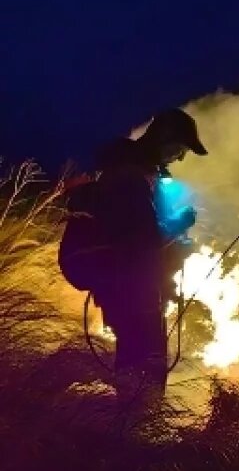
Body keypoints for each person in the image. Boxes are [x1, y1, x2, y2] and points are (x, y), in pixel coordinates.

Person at [60, 108, 207, 413]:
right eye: (180, 148)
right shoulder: (128, 178)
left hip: (126, 288)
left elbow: (133, 235)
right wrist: (181, 223)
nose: (180, 158)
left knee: (136, 363)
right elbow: (143, 240)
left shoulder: (131, 173)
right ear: (164, 139)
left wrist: (174, 248)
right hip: (131, 292)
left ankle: (133, 432)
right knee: (145, 368)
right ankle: (138, 437)